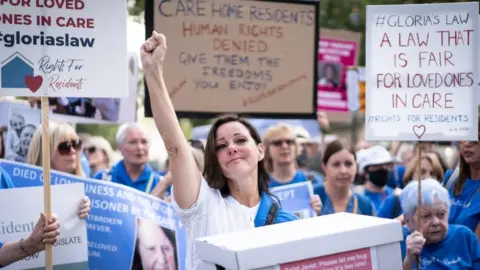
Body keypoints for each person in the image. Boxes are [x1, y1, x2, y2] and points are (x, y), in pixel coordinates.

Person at [141, 31, 298, 270]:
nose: (232, 148)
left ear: (260, 151)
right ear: (216, 159)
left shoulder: (287, 222)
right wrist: (153, 71)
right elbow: (176, 148)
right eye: (222, 146)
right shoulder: (202, 204)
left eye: (240, 140)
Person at [400, 179, 480, 269]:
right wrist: (409, 261)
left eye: (441, 214)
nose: (436, 222)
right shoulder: (398, 241)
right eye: (426, 216)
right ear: (407, 219)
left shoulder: (464, 236)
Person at [26, 122, 91, 219]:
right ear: (45, 153)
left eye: (76, 144)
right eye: (65, 147)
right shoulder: (25, 193)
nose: (73, 151)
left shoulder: (87, 191)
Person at [94, 123, 162, 194]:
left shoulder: (160, 183)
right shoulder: (103, 179)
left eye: (144, 142)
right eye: (133, 142)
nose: (140, 147)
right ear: (120, 147)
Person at [313, 140, 375, 216]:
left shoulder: (365, 205)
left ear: (356, 166)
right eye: (336, 164)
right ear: (324, 167)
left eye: (348, 164)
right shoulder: (311, 197)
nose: (343, 171)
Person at [377, 153, 444, 221]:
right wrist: (399, 222)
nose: (427, 177)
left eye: (433, 174)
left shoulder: (444, 204)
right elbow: (376, 229)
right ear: (411, 176)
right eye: (422, 172)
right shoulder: (395, 200)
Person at [448, 119, 480, 239]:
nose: (467, 143)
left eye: (476, 139)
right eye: (463, 137)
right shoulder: (451, 178)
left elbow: (475, 250)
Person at [355, 145, 396, 211]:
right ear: (365, 170)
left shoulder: (394, 195)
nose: (383, 168)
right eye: (377, 166)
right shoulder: (358, 196)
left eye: (387, 165)